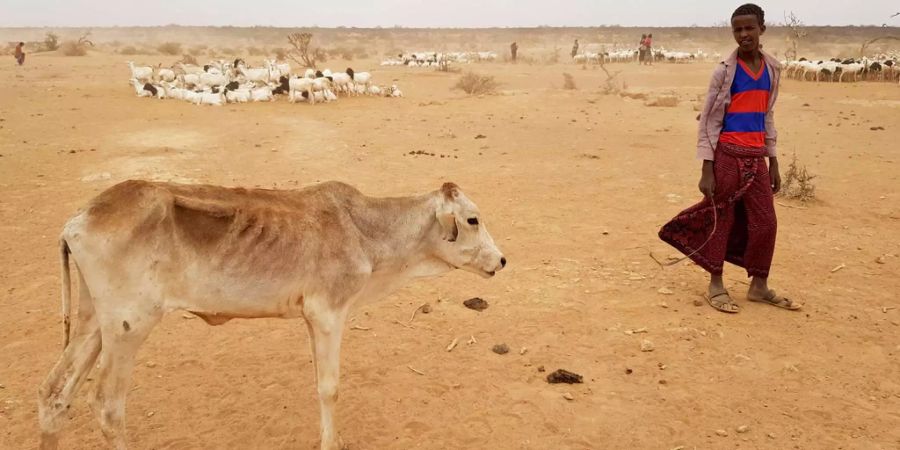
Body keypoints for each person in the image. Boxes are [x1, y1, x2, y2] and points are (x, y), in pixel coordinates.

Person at [658, 3, 800, 313]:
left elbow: (768, 116)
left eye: (749, 28)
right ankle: (716, 284)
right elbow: (709, 120)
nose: (744, 34)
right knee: (721, 218)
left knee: (766, 222)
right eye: (738, 29)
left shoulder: (772, 68)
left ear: (762, 29)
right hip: (728, 155)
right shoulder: (724, 71)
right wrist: (706, 168)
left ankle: (759, 286)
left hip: (756, 157)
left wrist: (773, 160)